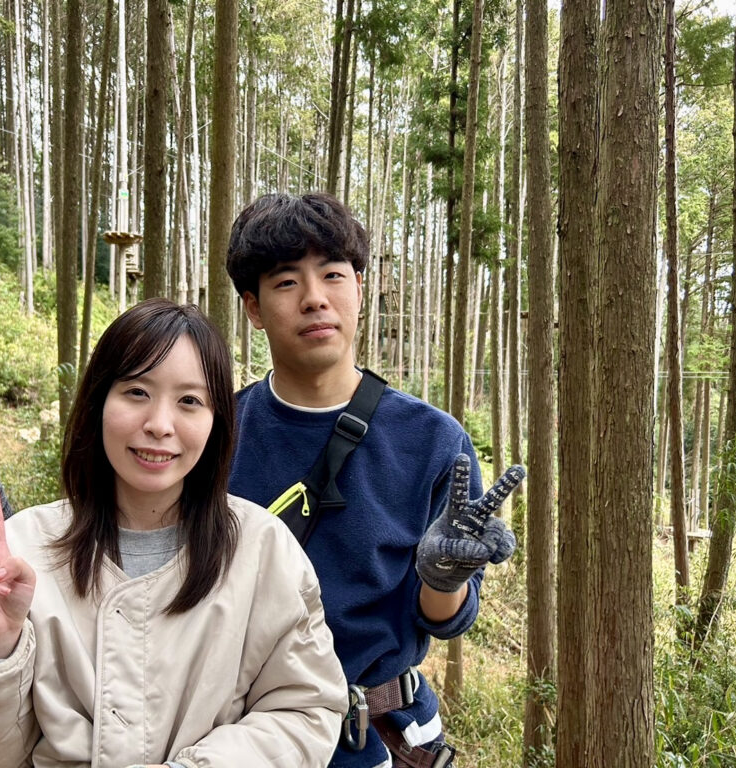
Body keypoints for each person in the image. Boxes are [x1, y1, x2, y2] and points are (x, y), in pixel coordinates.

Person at [0, 299, 348, 768]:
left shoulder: (264, 551)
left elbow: (304, 712)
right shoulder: (22, 553)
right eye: (137, 392)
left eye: (190, 401)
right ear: (99, 402)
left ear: (216, 421)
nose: (159, 425)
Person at [224, 191, 524, 768]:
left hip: (383, 735)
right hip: (247, 737)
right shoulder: (216, 434)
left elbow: (443, 617)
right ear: (254, 308)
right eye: (286, 282)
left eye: (333, 275)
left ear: (359, 288)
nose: (315, 298)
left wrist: (443, 576)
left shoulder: (432, 441)